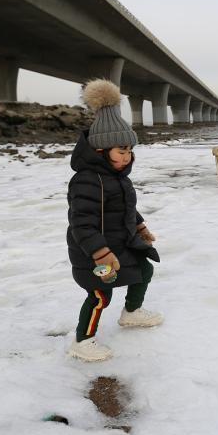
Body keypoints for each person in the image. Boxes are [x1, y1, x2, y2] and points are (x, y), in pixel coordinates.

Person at [66, 78, 162, 362]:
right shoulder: (87, 180)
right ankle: (82, 341)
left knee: (144, 270)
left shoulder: (117, 178)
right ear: (101, 150)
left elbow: (126, 208)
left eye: (130, 151)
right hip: (95, 251)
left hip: (121, 243)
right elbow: (81, 222)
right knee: (100, 295)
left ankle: (131, 312)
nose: (127, 157)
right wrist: (100, 252)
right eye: (121, 151)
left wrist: (140, 226)